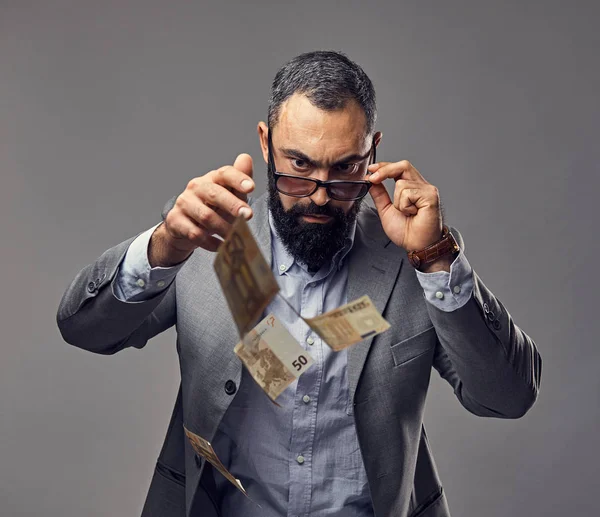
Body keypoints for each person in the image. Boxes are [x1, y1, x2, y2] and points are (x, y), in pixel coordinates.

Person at [56, 50, 542, 517]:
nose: (318, 195)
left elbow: (508, 396)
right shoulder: (209, 234)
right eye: (300, 166)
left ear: (372, 152)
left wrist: (434, 260)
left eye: (344, 169)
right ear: (266, 144)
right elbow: (85, 330)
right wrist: (163, 246)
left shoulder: (413, 254)